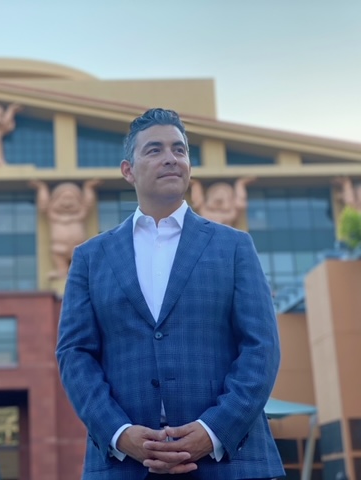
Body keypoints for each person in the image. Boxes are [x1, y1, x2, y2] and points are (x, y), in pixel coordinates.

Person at [56, 108, 284, 479]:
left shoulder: (234, 247)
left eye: (179, 150)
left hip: (229, 462)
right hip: (125, 465)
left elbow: (262, 347)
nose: (170, 158)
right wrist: (119, 433)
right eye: (155, 150)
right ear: (128, 170)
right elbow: (74, 353)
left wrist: (214, 431)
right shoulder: (90, 257)